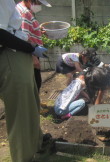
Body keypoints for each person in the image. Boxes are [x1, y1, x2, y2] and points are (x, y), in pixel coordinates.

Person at [0, 0, 48, 161]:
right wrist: (31, 48)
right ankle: (23, 156)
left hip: (19, 53)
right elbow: (2, 33)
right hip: (10, 54)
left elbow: (13, 29)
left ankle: (36, 143)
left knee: (30, 103)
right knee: (20, 111)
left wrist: (30, 46)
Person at [16, 0, 52, 91]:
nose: (39, 6)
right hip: (30, 52)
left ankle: (34, 103)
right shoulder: (25, 13)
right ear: (29, 0)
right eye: (38, 3)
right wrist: (33, 57)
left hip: (29, 51)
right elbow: (23, 37)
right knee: (35, 83)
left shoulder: (21, 8)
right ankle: (33, 104)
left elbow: (26, 29)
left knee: (33, 83)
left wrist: (38, 30)